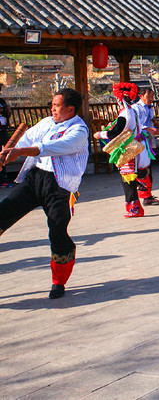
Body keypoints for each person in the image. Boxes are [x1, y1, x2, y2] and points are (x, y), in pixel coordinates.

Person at [0, 88, 89, 299]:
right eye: (52, 104)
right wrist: (8, 151)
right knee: (3, 210)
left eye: (57, 106)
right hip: (35, 178)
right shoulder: (47, 122)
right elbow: (26, 139)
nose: (53, 109)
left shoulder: (79, 130)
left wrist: (20, 152)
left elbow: (52, 147)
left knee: (57, 231)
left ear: (70, 109)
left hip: (60, 187)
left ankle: (58, 282)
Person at [95, 83, 150, 217]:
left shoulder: (125, 113)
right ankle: (142, 189)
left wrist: (100, 134)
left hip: (128, 149)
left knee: (127, 179)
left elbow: (115, 133)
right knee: (132, 176)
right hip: (136, 146)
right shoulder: (131, 111)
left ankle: (135, 208)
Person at [132, 88, 159, 206]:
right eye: (148, 96)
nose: (151, 99)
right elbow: (135, 124)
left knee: (148, 169)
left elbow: (151, 121)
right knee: (140, 169)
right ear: (141, 96)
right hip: (138, 142)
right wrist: (149, 129)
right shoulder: (135, 108)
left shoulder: (150, 108)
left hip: (147, 141)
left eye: (152, 96)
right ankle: (141, 196)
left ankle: (147, 196)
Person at [0, 82, 12, 187]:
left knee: (4, 153)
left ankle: (3, 178)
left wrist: (8, 111)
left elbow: (7, 115)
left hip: (2, 131)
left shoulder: (2, 101)